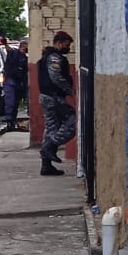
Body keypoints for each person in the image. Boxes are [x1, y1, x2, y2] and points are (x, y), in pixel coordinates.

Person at [37, 31, 75, 176]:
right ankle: (50, 147)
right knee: (72, 122)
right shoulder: (54, 58)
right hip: (53, 98)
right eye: (67, 45)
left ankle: (46, 165)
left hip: (47, 97)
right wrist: (70, 90)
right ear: (58, 43)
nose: (68, 48)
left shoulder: (48, 56)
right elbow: (56, 77)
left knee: (51, 128)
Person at [1, 36, 24, 131]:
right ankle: (9, 122)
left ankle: (12, 121)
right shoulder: (14, 53)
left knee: (15, 103)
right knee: (10, 102)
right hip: (11, 81)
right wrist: (5, 43)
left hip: (19, 82)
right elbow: (8, 50)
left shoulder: (24, 57)